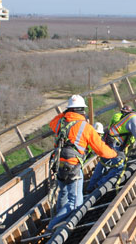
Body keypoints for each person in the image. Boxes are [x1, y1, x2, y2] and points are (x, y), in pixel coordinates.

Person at [48, 95, 118, 230]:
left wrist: (65, 113)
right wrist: (114, 154)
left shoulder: (60, 122)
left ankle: (58, 220)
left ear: (69, 109)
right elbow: (102, 150)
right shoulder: (86, 127)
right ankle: (52, 228)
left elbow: (52, 122)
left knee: (63, 193)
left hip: (59, 165)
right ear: (82, 110)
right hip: (73, 167)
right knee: (75, 203)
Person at [86, 101, 136, 192]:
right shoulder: (135, 119)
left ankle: (90, 187)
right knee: (119, 169)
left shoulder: (133, 115)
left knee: (102, 163)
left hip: (109, 141)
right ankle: (98, 187)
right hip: (115, 145)